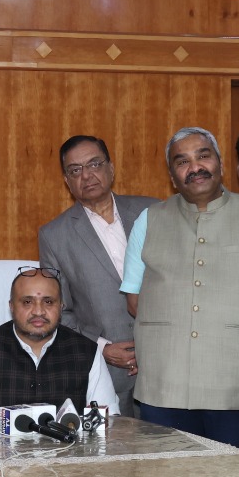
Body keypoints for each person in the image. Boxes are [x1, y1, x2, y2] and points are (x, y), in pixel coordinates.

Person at [120, 127, 239, 451]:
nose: (195, 167)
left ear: (221, 164)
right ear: (172, 177)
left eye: (203, 156)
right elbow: (134, 299)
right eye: (182, 161)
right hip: (164, 388)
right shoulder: (149, 220)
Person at [36, 135, 157, 417]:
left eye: (94, 164)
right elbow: (58, 310)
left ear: (110, 168)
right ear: (67, 181)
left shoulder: (153, 211)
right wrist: (102, 348)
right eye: (75, 170)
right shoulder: (54, 235)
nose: (86, 175)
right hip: (109, 372)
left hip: (168, 363)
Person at [0, 267, 121, 418]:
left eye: (48, 302)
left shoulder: (86, 352)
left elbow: (106, 422)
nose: (38, 311)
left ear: (61, 306)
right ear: (11, 306)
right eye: (27, 302)